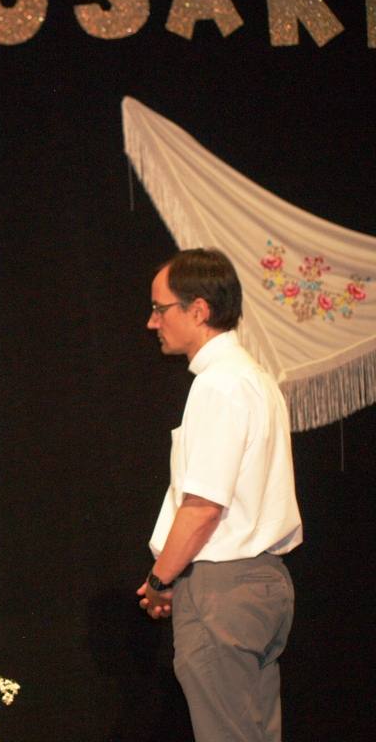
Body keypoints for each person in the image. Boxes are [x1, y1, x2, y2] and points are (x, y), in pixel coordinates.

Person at [137, 248, 303, 741]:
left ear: (199, 310)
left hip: (223, 591)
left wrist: (161, 579)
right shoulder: (254, 380)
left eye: (159, 308)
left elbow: (205, 506)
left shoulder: (221, 385)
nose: (152, 323)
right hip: (262, 585)